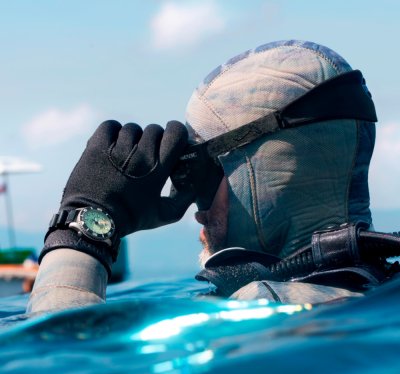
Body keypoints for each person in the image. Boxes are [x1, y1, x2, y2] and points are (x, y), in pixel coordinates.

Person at [27, 40, 399, 313]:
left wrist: (83, 231)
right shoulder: (379, 288)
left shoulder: (264, 309)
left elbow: (60, 359)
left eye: (198, 173)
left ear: (271, 173)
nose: (197, 212)